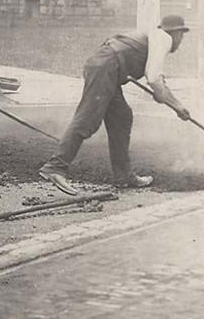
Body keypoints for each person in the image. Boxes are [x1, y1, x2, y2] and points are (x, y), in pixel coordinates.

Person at [38, 14, 193, 192]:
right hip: (107, 67)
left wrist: (164, 96)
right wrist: (177, 106)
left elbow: (156, 82)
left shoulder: (154, 37)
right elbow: (153, 78)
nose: (181, 42)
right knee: (88, 118)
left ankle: (123, 176)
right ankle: (55, 167)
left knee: (122, 117)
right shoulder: (163, 37)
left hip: (108, 68)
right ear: (176, 33)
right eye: (181, 35)